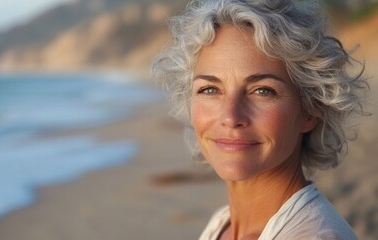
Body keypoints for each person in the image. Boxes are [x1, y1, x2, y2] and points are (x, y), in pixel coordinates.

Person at [152, 0, 369, 239]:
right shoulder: (222, 225)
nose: (230, 116)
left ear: (310, 109)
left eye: (262, 90)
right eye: (210, 89)